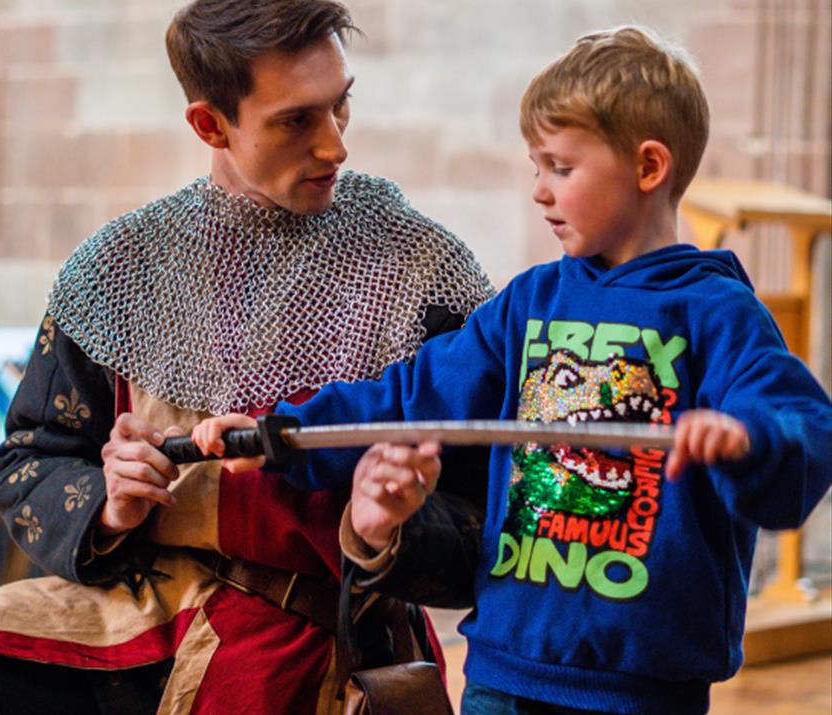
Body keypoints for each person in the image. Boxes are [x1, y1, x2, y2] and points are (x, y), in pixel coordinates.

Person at [0, 1, 494, 713]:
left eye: (341, 107)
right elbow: (33, 459)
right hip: (133, 618)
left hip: (329, 638)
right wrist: (110, 503)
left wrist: (383, 527)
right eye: (296, 120)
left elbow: (485, 521)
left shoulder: (421, 271)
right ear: (210, 123)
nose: (335, 145)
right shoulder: (120, 269)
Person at [192, 26, 832, 715]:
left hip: (642, 686)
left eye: (560, 167)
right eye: (536, 167)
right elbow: (411, 397)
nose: (539, 191)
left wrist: (746, 440)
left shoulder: (716, 312)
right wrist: (281, 432)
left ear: (649, 168)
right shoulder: (529, 302)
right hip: (504, 668)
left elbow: (803, 427)